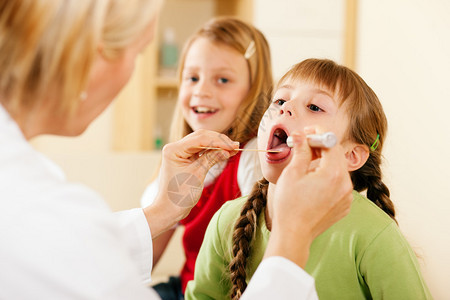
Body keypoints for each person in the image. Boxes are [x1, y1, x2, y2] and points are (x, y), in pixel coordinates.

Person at [0, 1, 353, 299]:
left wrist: (160, 211)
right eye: (137, 52)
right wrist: (292, 239)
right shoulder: (37, 213)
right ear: (93, 53)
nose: (201, 91)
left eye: (223, 79)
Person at [185, 59, 432, 300]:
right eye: (280, 100)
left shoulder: (374, 234)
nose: (285, 107)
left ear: (352, 155)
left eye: (314, 107)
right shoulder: (226, 221)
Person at [140, 17, 272, 299]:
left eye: (222, 79)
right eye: (192, 78)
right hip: (185, 289)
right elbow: (145, 252)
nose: (201, 91)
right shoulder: (180, 160)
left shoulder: (253, 158)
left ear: (253, 90)